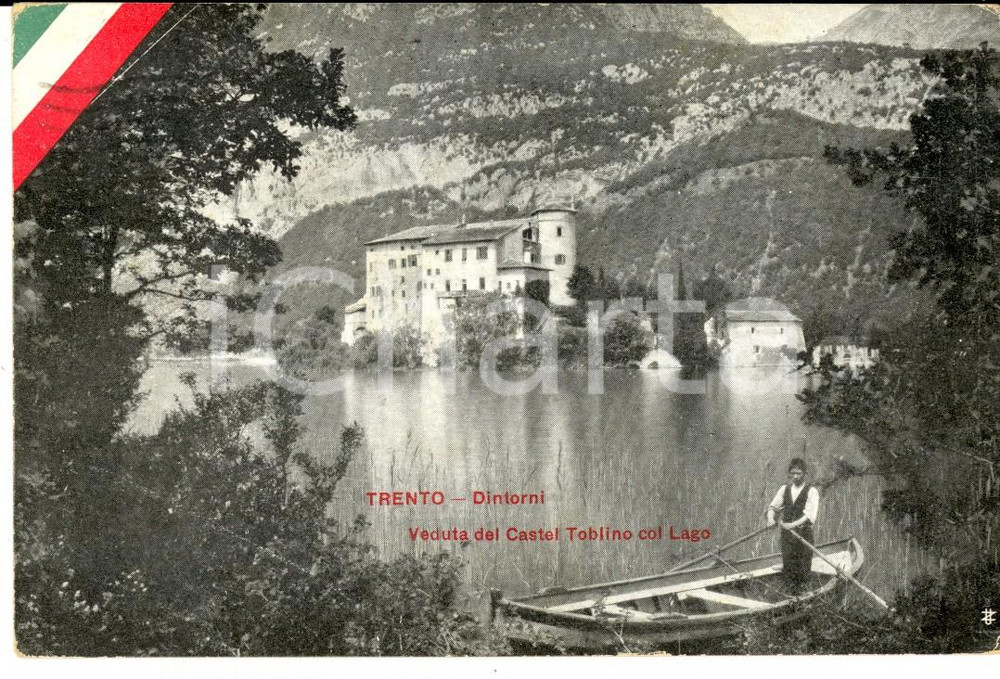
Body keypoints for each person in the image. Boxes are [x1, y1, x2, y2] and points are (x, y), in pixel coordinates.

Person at [766, 458, 820, 594]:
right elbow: (773, 507)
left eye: (799, 473)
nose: (795, 476)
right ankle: (790, 597)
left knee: (803, 570)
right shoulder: (785, 489)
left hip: (804, 537)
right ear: (789, 474)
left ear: (805, 474)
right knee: (789, 569)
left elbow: (809, 516)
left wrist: (793, 525)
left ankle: (803, 596)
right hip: (787, 538)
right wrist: (770, 518)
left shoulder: (812, 491)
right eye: (793, 473)